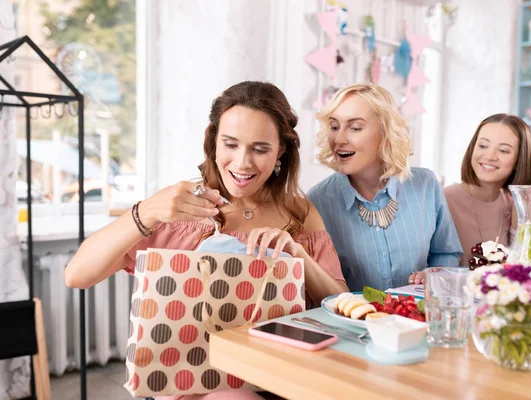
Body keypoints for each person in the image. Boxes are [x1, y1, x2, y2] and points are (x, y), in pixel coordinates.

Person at [65, 81, 348, 400]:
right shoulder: (178, 205)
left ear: (281, 150)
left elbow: (342, 306)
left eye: (259, 148)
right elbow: (77, 275)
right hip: (186, 381)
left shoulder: (299, 212)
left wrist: (299, 255)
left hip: (274, 378)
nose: (242, 163)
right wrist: (146, 211)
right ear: (213, 142)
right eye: (231, 144)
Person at [307, 83, 462, 289]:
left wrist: (433, 276)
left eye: (355, 128)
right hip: (353, 320)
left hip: (417, 318)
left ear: (385, 132)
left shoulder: (426, 185)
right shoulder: (316, 201)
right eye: (335, 127)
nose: (339, 139)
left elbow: (446, 252)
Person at [444, 114, 531, 267]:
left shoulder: (512, 205)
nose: (490, 156)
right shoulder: (443, 201)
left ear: (519, 160)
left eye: (503, 150)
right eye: (483, 146)